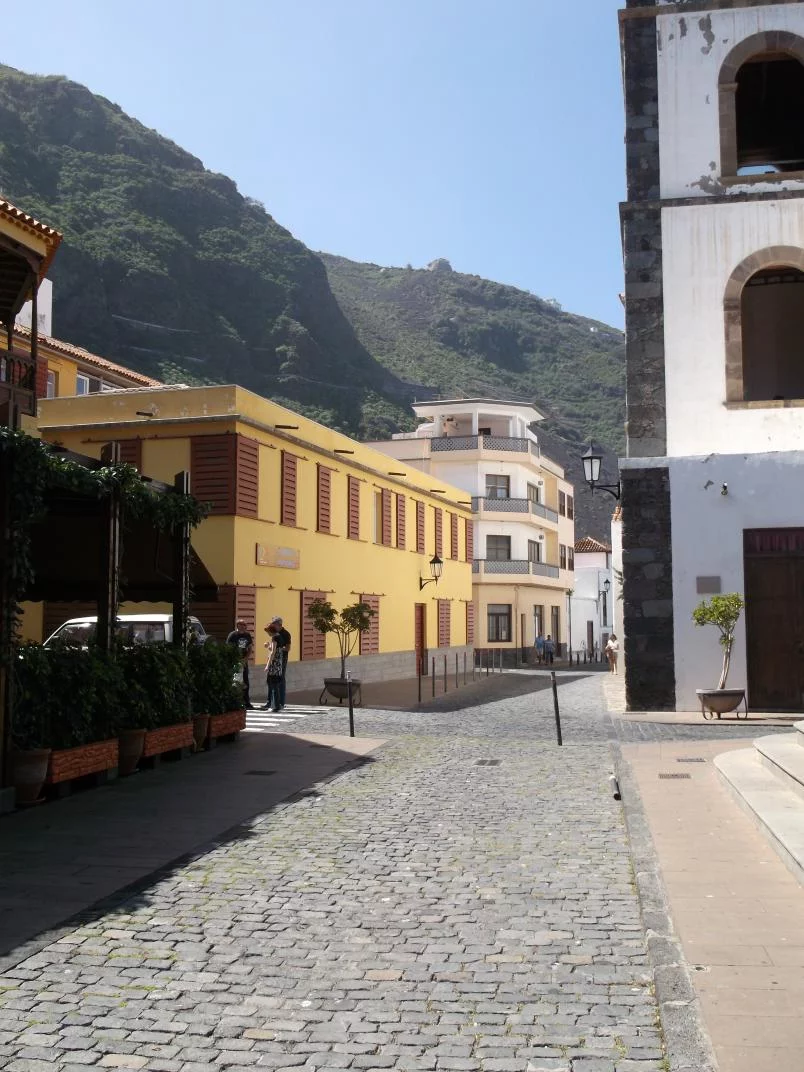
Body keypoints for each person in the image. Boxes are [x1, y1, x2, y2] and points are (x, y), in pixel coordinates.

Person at [265, 615, 292, 710]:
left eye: (274, 623)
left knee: (279, 680)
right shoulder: (274, 634)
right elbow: (273, 649)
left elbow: (287, 648)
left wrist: (278, 649)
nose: (272, 625)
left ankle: (280, 702)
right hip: (275, 660)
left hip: (281, 660)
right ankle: (270, 702)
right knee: (271, 681)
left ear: (279, 624)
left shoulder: (285, 634)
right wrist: (270, 646)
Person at [226, 618, 253, 709]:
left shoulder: (247, 635)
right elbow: (228, 648)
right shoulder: (232, 635)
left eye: (245, 625)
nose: (245, 627)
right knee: (235, 681)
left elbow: (250, 648)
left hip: (243, 662)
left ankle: (247, 702)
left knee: (245, 682)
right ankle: (235, 702)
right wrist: (235, 659)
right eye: (243, 625)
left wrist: (245, 659)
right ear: (238, 626)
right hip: (234, 661)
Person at [263, 623, 284, 712]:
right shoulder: (279, 637)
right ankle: (276, 704)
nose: (268, 633)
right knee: (274, 684)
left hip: (274, 664)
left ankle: (275, 706)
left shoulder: (275, 637)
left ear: (271, 631)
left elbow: (273, 652)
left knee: (273, 685)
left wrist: (268, 665)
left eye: (268, 632)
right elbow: (274, 649)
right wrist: (268, 646)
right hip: (278, 663)